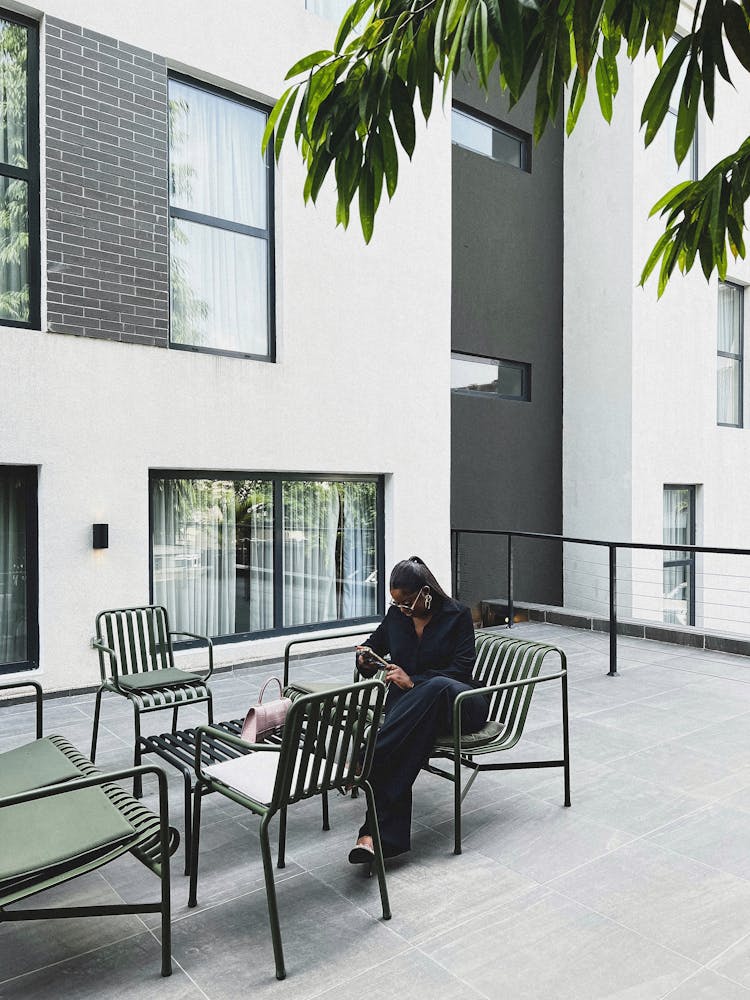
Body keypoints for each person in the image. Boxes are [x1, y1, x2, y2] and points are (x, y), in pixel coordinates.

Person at [349, 556, 489, 864]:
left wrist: (413, 682)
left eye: (408, 603)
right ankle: (376, 838)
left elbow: (461, 670)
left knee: (436, 685)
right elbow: (372, 645)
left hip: (460, 704)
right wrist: (364, 659)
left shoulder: (457, 615)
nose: (402, 609)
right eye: (397, 604)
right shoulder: (396, 617)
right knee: (406, 747)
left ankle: (370, 754)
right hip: (416, 716)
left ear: (426, 592)